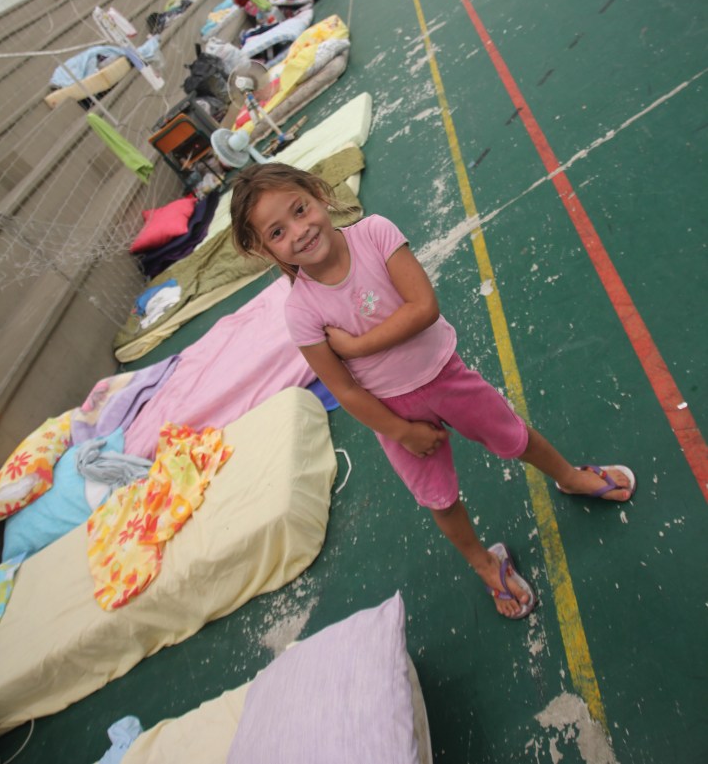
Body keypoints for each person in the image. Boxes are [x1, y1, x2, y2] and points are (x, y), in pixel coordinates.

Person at [230, 165, 637, 620]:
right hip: (391, 412)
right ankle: (484, 562)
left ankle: (569, 475)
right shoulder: (301, 311)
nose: (300, 231)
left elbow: (423, 308)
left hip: (446, 376)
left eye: (300, 209)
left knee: (516, 436)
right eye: (278, 232)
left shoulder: (376, 234)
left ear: (320, 195)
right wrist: (401, 432)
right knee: (439, 499)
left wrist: (356, 345)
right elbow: (344, 390)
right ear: (263, 248)